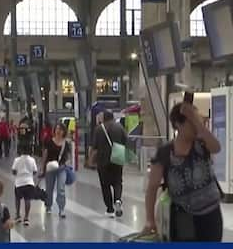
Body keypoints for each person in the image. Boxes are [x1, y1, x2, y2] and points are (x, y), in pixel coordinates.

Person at [143, 103, 223, 242]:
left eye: (197, 120)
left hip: (211, 214)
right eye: (191, 122)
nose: (195, 125)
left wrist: (196, 120)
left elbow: (216, 148)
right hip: (182, 216)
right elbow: (152, 188)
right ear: (178, 125)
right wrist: (150, 220)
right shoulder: (165, 152)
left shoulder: (202, 143)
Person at [91, 110, 127, 217]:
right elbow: (126, 141)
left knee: (105, 185)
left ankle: (110, 209)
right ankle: (118, 200)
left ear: (104, 118)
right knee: (117, 182)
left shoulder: (98, 129)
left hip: (103, 161)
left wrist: (91, 160)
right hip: (118, 158)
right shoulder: (119, 127)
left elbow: (95, 147)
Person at [40, 123, 71, 218]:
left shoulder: (66, 143)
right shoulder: (49, 141)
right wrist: (42, 168)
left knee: (61, 188)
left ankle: (61, 209)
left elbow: (69, 156)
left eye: (60, 129)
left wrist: (68, 164)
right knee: (49, 188)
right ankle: (48, 206)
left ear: (64, 131)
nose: (58, 131)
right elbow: (45, 155)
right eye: (57, 129)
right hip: (50, 168)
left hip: (61, 168)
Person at [12, 144, 38, 226]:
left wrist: (18, 173)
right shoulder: (32, 160)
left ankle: (18, 215)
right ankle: (26, 218)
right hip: (29, 182)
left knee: (17, 199)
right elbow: (35, 171)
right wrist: (29, 174)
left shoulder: (17, 160)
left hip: (19, 183)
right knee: (27, 200)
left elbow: (13, 171)